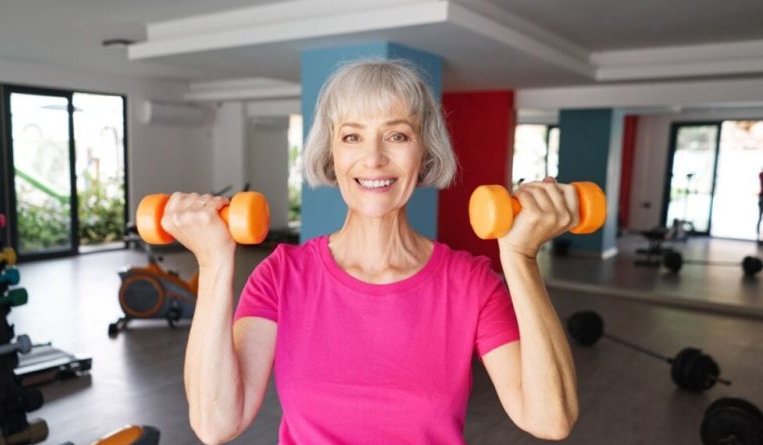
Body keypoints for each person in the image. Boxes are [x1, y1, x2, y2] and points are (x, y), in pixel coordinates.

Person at [163, 60, 579, 444]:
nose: (374, 158)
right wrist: (214, 262)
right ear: (332, 154)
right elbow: (216, 423)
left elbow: (549, 419)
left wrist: (520, 258)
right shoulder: (282, 276)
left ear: (425, 152)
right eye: (352, 136)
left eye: (397, 135)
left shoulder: (470, 283)